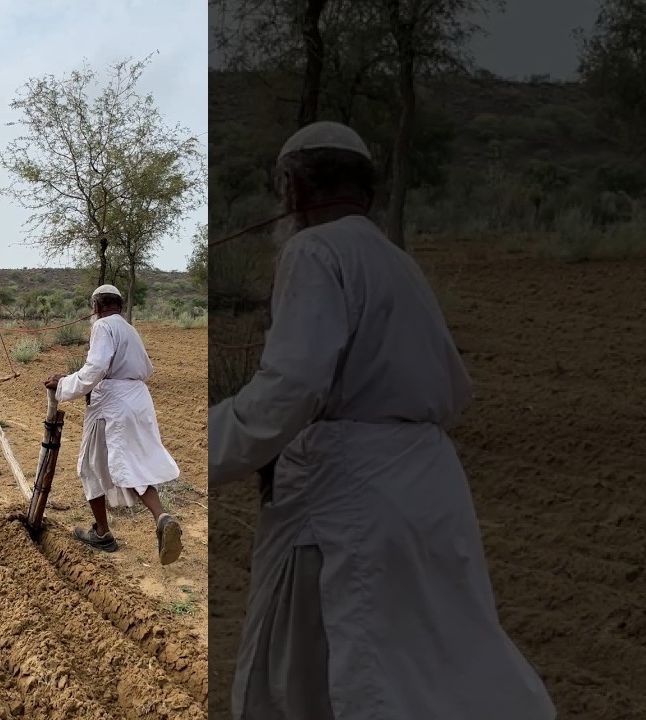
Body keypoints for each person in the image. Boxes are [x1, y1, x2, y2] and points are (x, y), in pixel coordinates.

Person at [209, 121, 556, 720]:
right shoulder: (398, 262)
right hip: (426, 494)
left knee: (318, 676)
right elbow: (448, 390)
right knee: (438, 666)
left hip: (343, 503)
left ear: (292, 190)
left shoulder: (312, 250)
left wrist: (194, 449)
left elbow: (290, 389)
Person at [44, 284, 184, 566]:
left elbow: (96, 369)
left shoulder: (102, 327)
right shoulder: (129, 328)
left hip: (110, 405)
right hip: (137, 401)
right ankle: (162, 517)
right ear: (119, 305)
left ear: (96, 306)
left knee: (89, 465)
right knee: (134, 463)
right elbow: (144, 368)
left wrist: (63, 384)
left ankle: (102, 533)